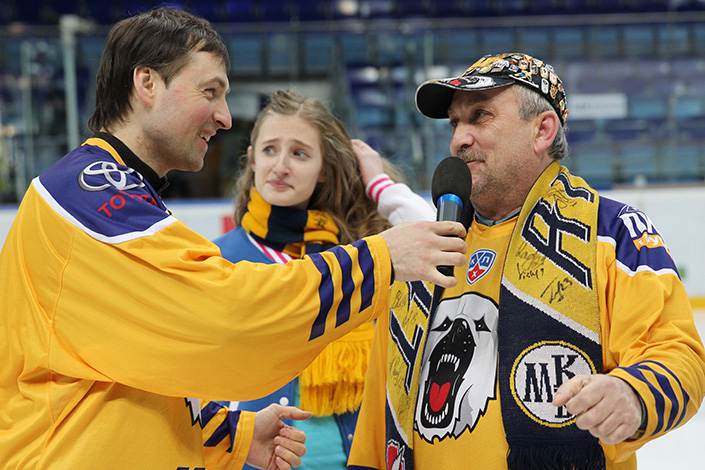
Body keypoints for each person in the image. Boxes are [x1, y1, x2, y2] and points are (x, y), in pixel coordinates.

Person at [0, 8, 469, 470]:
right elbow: (226, 319)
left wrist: (234, 436)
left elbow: (145, 364)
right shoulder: (89, 193)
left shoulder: (112, 195)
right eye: (210, 92)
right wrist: (379, 260)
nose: (225, 117)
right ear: (147, 83)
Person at [347, 52, 705, 470]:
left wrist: (633, 394)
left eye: (480, 116)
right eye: (454, 123)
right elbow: (379, 417)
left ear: (542, 130)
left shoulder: (611, 232)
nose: (459, 139)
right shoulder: (421, 250)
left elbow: (678, 353)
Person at [209, 89, 435, 470]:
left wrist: (380, 185)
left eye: (299, 154)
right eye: (269, 150)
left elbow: (437, 244)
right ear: (252, 160)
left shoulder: (361, 258)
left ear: (324, 171)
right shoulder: (217, 259)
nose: (281, 166)